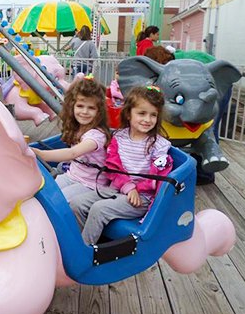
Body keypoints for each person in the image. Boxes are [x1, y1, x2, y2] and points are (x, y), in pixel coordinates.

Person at [71, 85, 173, 245]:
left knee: (99, 209)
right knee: (77, 204)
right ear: (128, 114)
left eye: (153, 115)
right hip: (117, 188)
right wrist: (128, 186)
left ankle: (83, 253)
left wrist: (136, 190)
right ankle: (79, 242)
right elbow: (113, 168)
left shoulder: (158, 145)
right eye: (142, 113)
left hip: (142, 197)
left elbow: (157, 177)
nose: (147, 120)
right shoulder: (118, 137)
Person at [32, 75, 110, 202]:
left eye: (91, 108)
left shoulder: (96, 135)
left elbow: (72, 153)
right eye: (80, 106)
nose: (84, 111)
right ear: (72, 106)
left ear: (99, 111)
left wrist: (41, 154)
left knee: (57, 201)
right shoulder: (79, 128)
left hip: (90, 184)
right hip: (72, 175)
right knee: (43, 193)